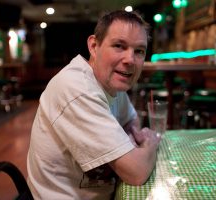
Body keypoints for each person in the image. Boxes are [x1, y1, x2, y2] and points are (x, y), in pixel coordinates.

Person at [27, 10, 161, 200]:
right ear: (94, 45)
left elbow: (131, 120)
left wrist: (130, 143)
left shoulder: (113, 82)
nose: (130, 60)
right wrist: (150, 144)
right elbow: (137, 172)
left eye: (139, 51)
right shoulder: (77, 89)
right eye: (119, 46)